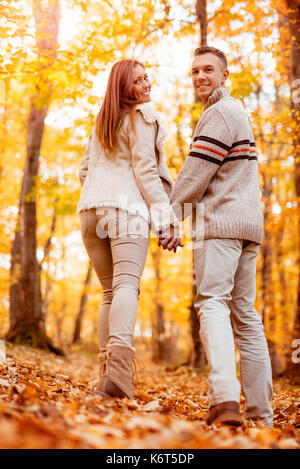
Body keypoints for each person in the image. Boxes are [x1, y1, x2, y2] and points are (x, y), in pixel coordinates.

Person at [160, 46, 273, 427]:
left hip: (221, 226)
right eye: (194, 71)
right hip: (248, 228)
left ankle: (225, 400)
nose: (200, 77)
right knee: (245, 316)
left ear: (225, 75)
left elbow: (194, 176)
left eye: (208, 70)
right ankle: (263, 417)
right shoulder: (236, 113)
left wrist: (168, 217)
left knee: (211, 304)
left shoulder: (219, 113)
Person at [77, 59, 181, 400]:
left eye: (147, 77)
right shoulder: (143, 116)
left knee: (109, 293)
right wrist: (166, 218)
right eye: (137, 81)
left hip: (90, 212)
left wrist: (99, 195)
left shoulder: (102, 120)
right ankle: (119, 376)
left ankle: (106, 375)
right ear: (124, 88)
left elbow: (84, 170)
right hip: (125, 210)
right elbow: (146, 171)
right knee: (126, 286)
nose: (146, 84)